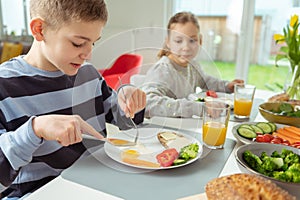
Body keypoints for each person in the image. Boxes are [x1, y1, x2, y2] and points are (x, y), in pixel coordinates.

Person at [0, 0, 146, 199]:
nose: (88, 55)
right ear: (39, 29)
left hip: (97, 187)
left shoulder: (88, 75)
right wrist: (35, 129)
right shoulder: (4, 85)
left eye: (93, 43)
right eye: (78, 43)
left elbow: (124, 120)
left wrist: (129, 99)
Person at [141, 11, 243, 118]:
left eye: (192, 40)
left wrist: (227, 86)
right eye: (178, 41)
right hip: (164, 130)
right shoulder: (163, 69)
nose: (186, 47)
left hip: (184, 126)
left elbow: (205, 81)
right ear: (168, 43)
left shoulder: (192, 65)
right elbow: (148, 102)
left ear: (200, 41)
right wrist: (198, 108)